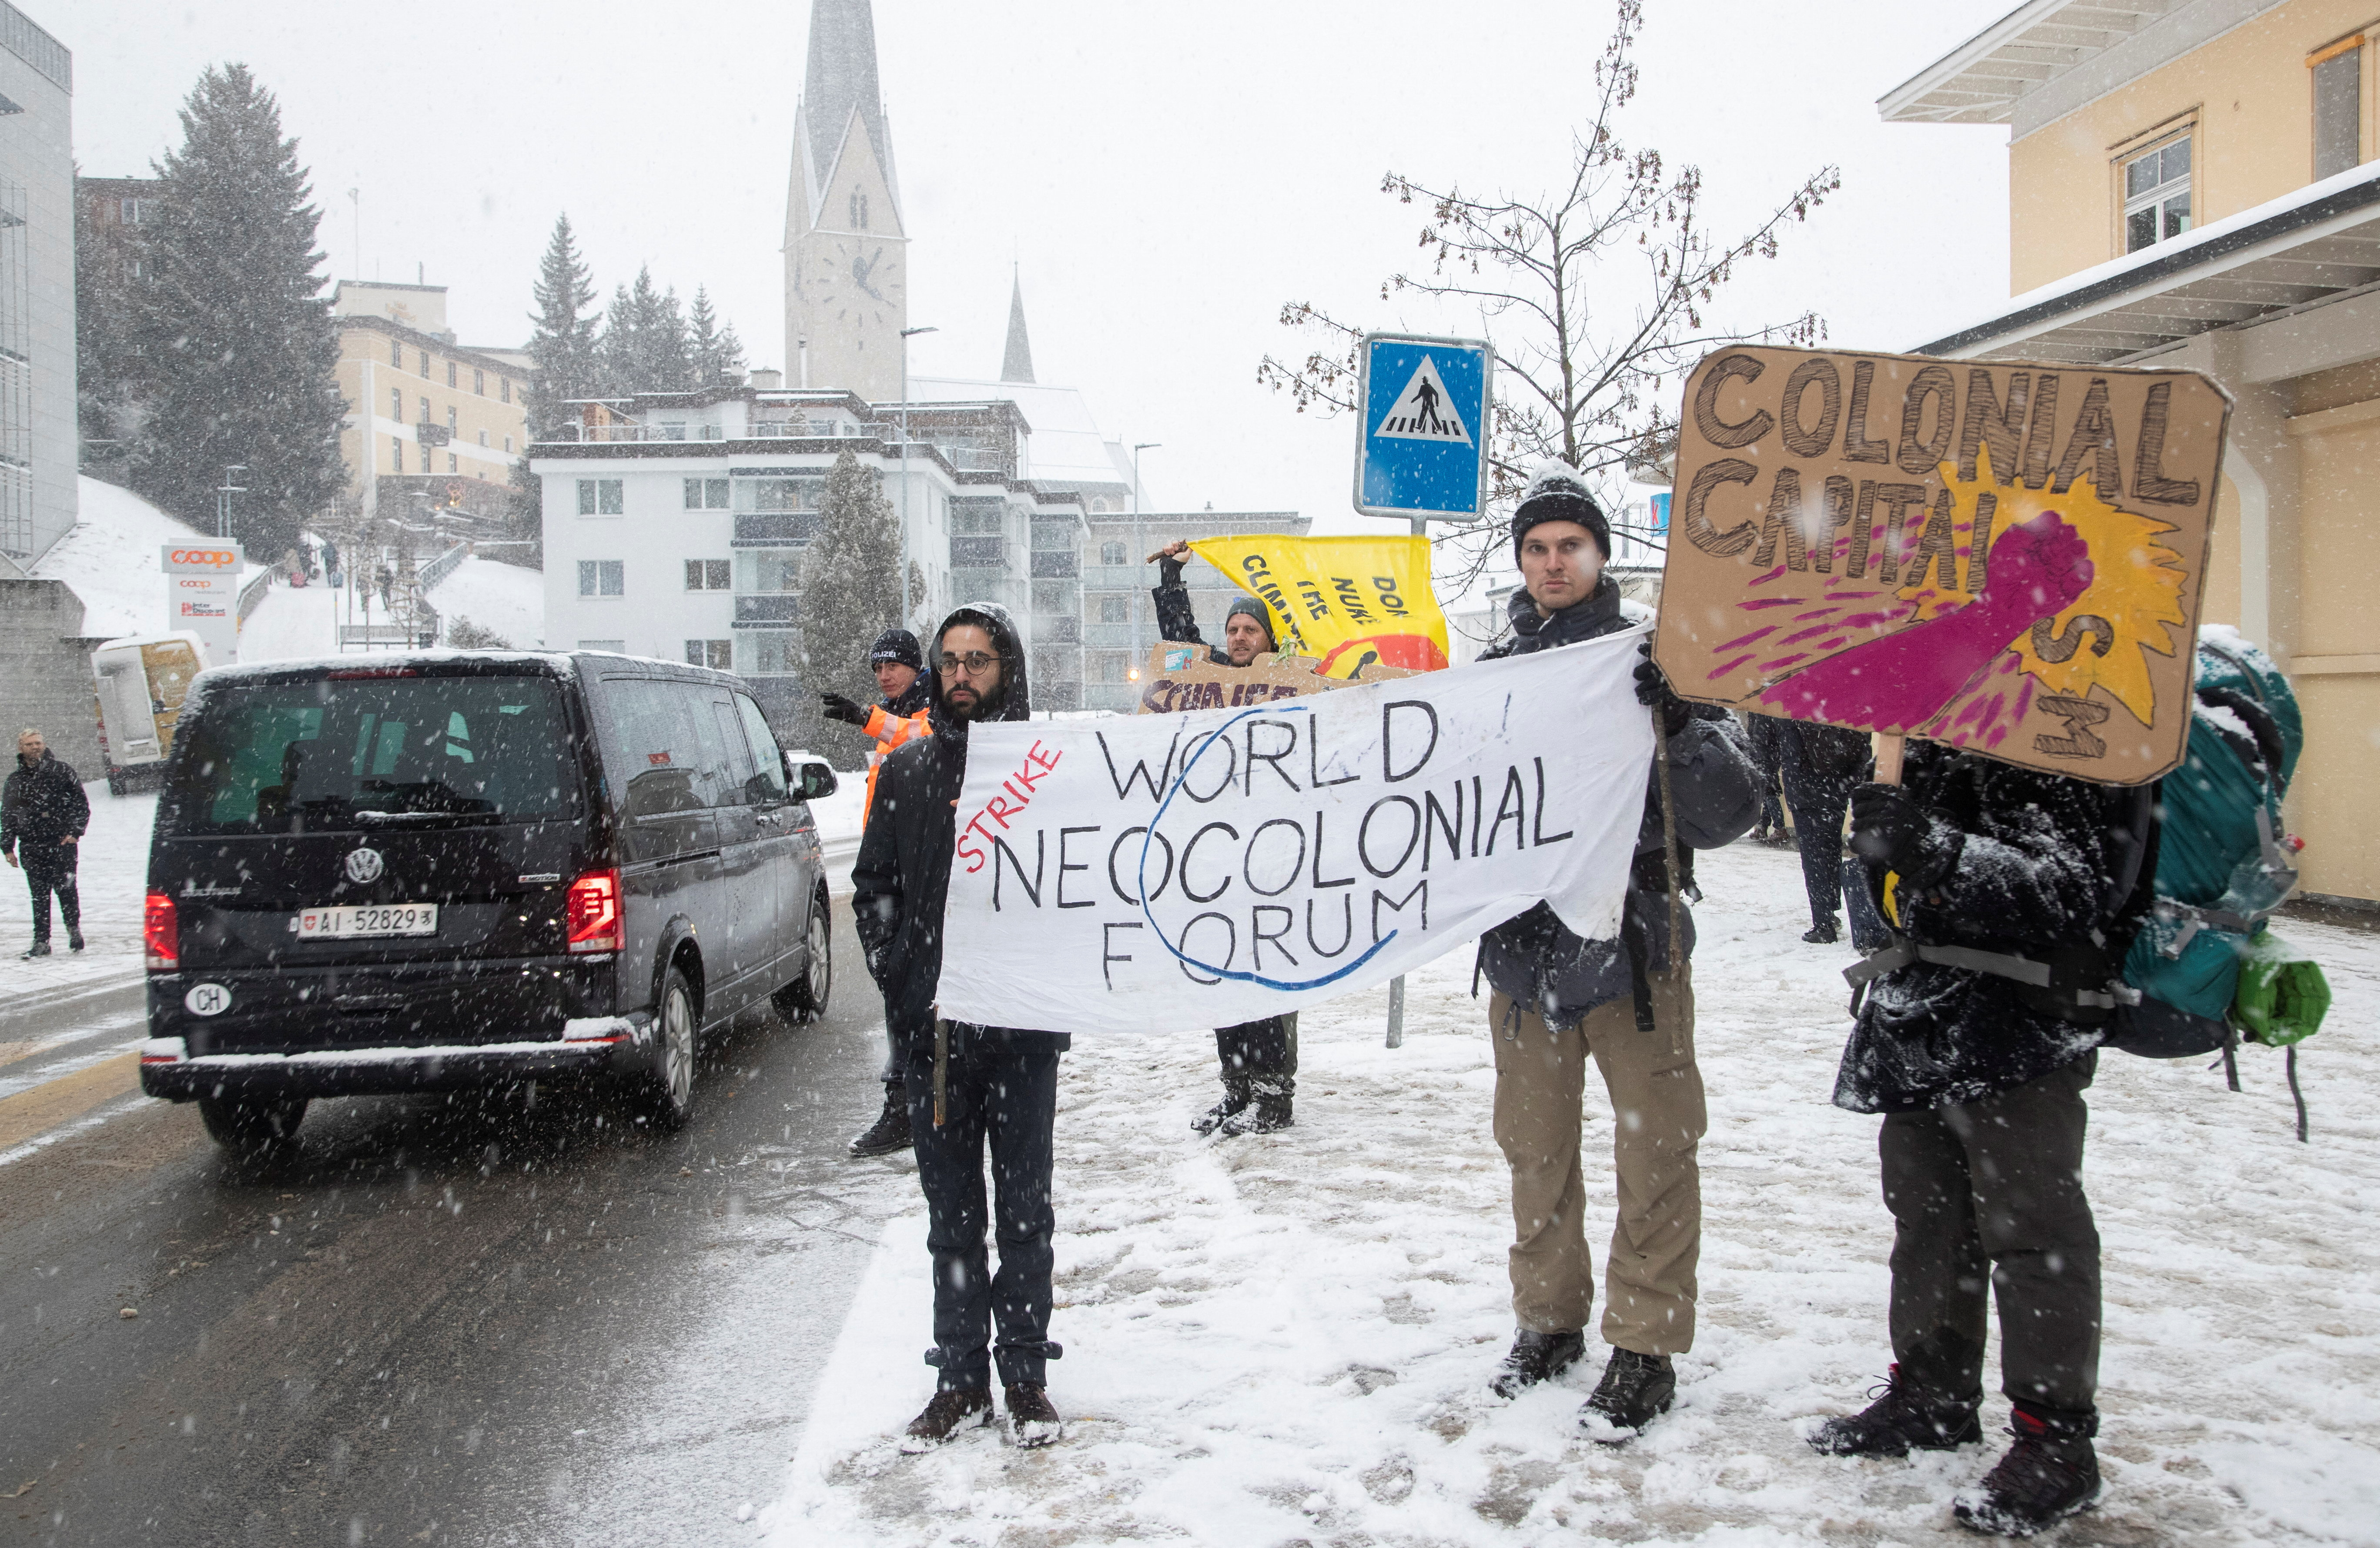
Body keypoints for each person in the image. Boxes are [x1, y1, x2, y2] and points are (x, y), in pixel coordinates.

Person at [1472, 464, 1759, 1442]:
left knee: (1655, 1146)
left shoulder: (1662, 659)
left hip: (1634, 950)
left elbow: (1730, 810)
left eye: (1570, 546)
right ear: (1520, 562)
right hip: (1523, 956)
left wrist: (1675, 722)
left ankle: (1644, 1343)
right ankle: (1548, 1321)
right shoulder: (1492, 675)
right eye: (1536, 549)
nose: (1553, 563)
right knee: (1534, 1150)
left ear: (1598, 556)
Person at [1808, 747, 2142, 1536]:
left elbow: (2066, 888)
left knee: (2033, 1233)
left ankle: (2056, 1439)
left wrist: (1933, 848)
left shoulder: (2054, 728)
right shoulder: (1923, 725)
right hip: (1924, 1006)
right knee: (1927, 1216)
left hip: (2023, 1019)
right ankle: (1933, 1393)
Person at [853, 603, 1068, 1452]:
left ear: (1006, 670)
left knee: (1022, 1211)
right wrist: (905, 982)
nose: (961, 675)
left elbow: (1077, 891)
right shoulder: (906, 772)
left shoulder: (1047, 774)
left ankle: (1023, 1374)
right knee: (951, 1217)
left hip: (1020, 1033)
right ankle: (958, 1379)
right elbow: (874, 891)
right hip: (933, 1041)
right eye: (950, 660)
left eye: (979, 660)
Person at [1152, 538, 1299, 1136]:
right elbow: (1179, 638)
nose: (1239, 637)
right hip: (1216, 856)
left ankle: (1273, 1093)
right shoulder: (1206, 677)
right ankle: (1236, 1089)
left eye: (1250, 630)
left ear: (1268, 639)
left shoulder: (1291, 684)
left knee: (1262, 978)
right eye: (1233, 629)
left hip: (1269, 858)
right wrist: (1170, 575)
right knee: (1221, 975)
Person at [823, 627, 936, 1159]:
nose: (885, 675)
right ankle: (911, 1106)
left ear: (917, 666)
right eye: (877, 667)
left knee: (907, 1002)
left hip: (914, 873)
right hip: (888, 868)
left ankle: (907, 1110)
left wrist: (863, 715)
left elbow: (918, 739)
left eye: (893, 665)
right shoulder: (898, 717)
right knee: (899, 997)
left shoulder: (932, 708)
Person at [1777, 719, 1871, 944]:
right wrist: (1845, 783)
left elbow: (1788, 752)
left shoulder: (1794, 709)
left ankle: (1824, 925)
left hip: (1805, 794)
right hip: (1835, 791)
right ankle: (1830, 912)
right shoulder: (1840, 706)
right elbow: (1862, 748)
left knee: (1814, 859)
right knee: (1830, 852)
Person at [3, 729, 89, 959]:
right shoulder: (15, 781)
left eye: (38, 743)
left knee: (67, 889)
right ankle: (42, 941)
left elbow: (81, 804)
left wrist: (75, 832)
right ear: (21, 748)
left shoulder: (62, 772)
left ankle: (74, 930)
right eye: (30, 744)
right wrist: (7, 847)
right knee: (39, 896)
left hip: (61, 843)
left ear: (45, 745)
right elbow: (8, 815)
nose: (35, 747)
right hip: (32, 846)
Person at [1744, 713, 1790, 845]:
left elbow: (1759, 734)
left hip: (1765, 755)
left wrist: (1754, 748)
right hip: (1768, 754)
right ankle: (1763, 827)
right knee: (1767, 791)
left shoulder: (1762, 713)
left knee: (1770, 791)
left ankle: (1780, 828)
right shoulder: (1761, 713)